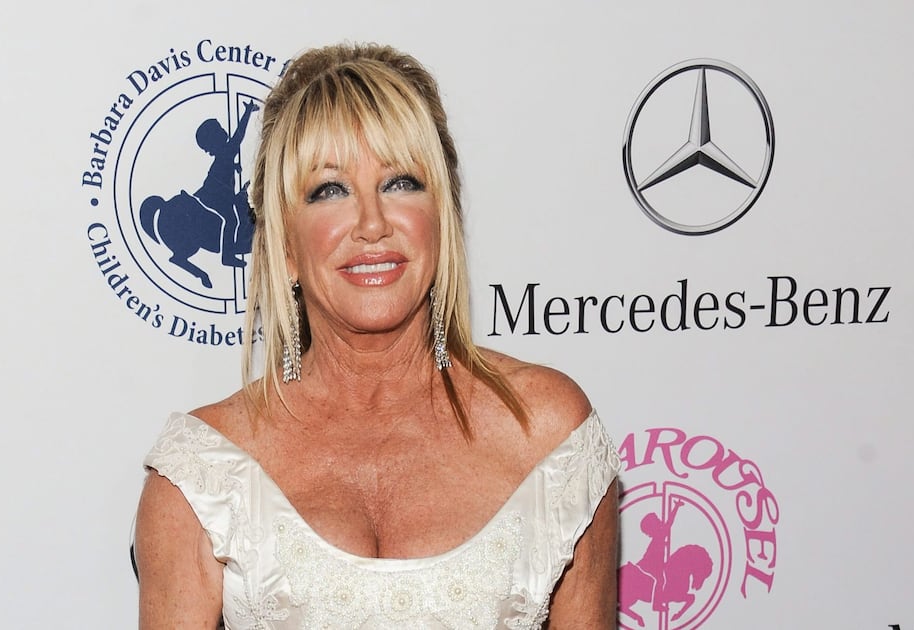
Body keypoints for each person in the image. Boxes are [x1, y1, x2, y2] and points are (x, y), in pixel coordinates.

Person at [134, 43, 620, 629]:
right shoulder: (200, 473)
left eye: (400, 182)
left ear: (441, 219)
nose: (372, 223)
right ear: (285, 246)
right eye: (329, 190)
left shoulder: (548, 432)